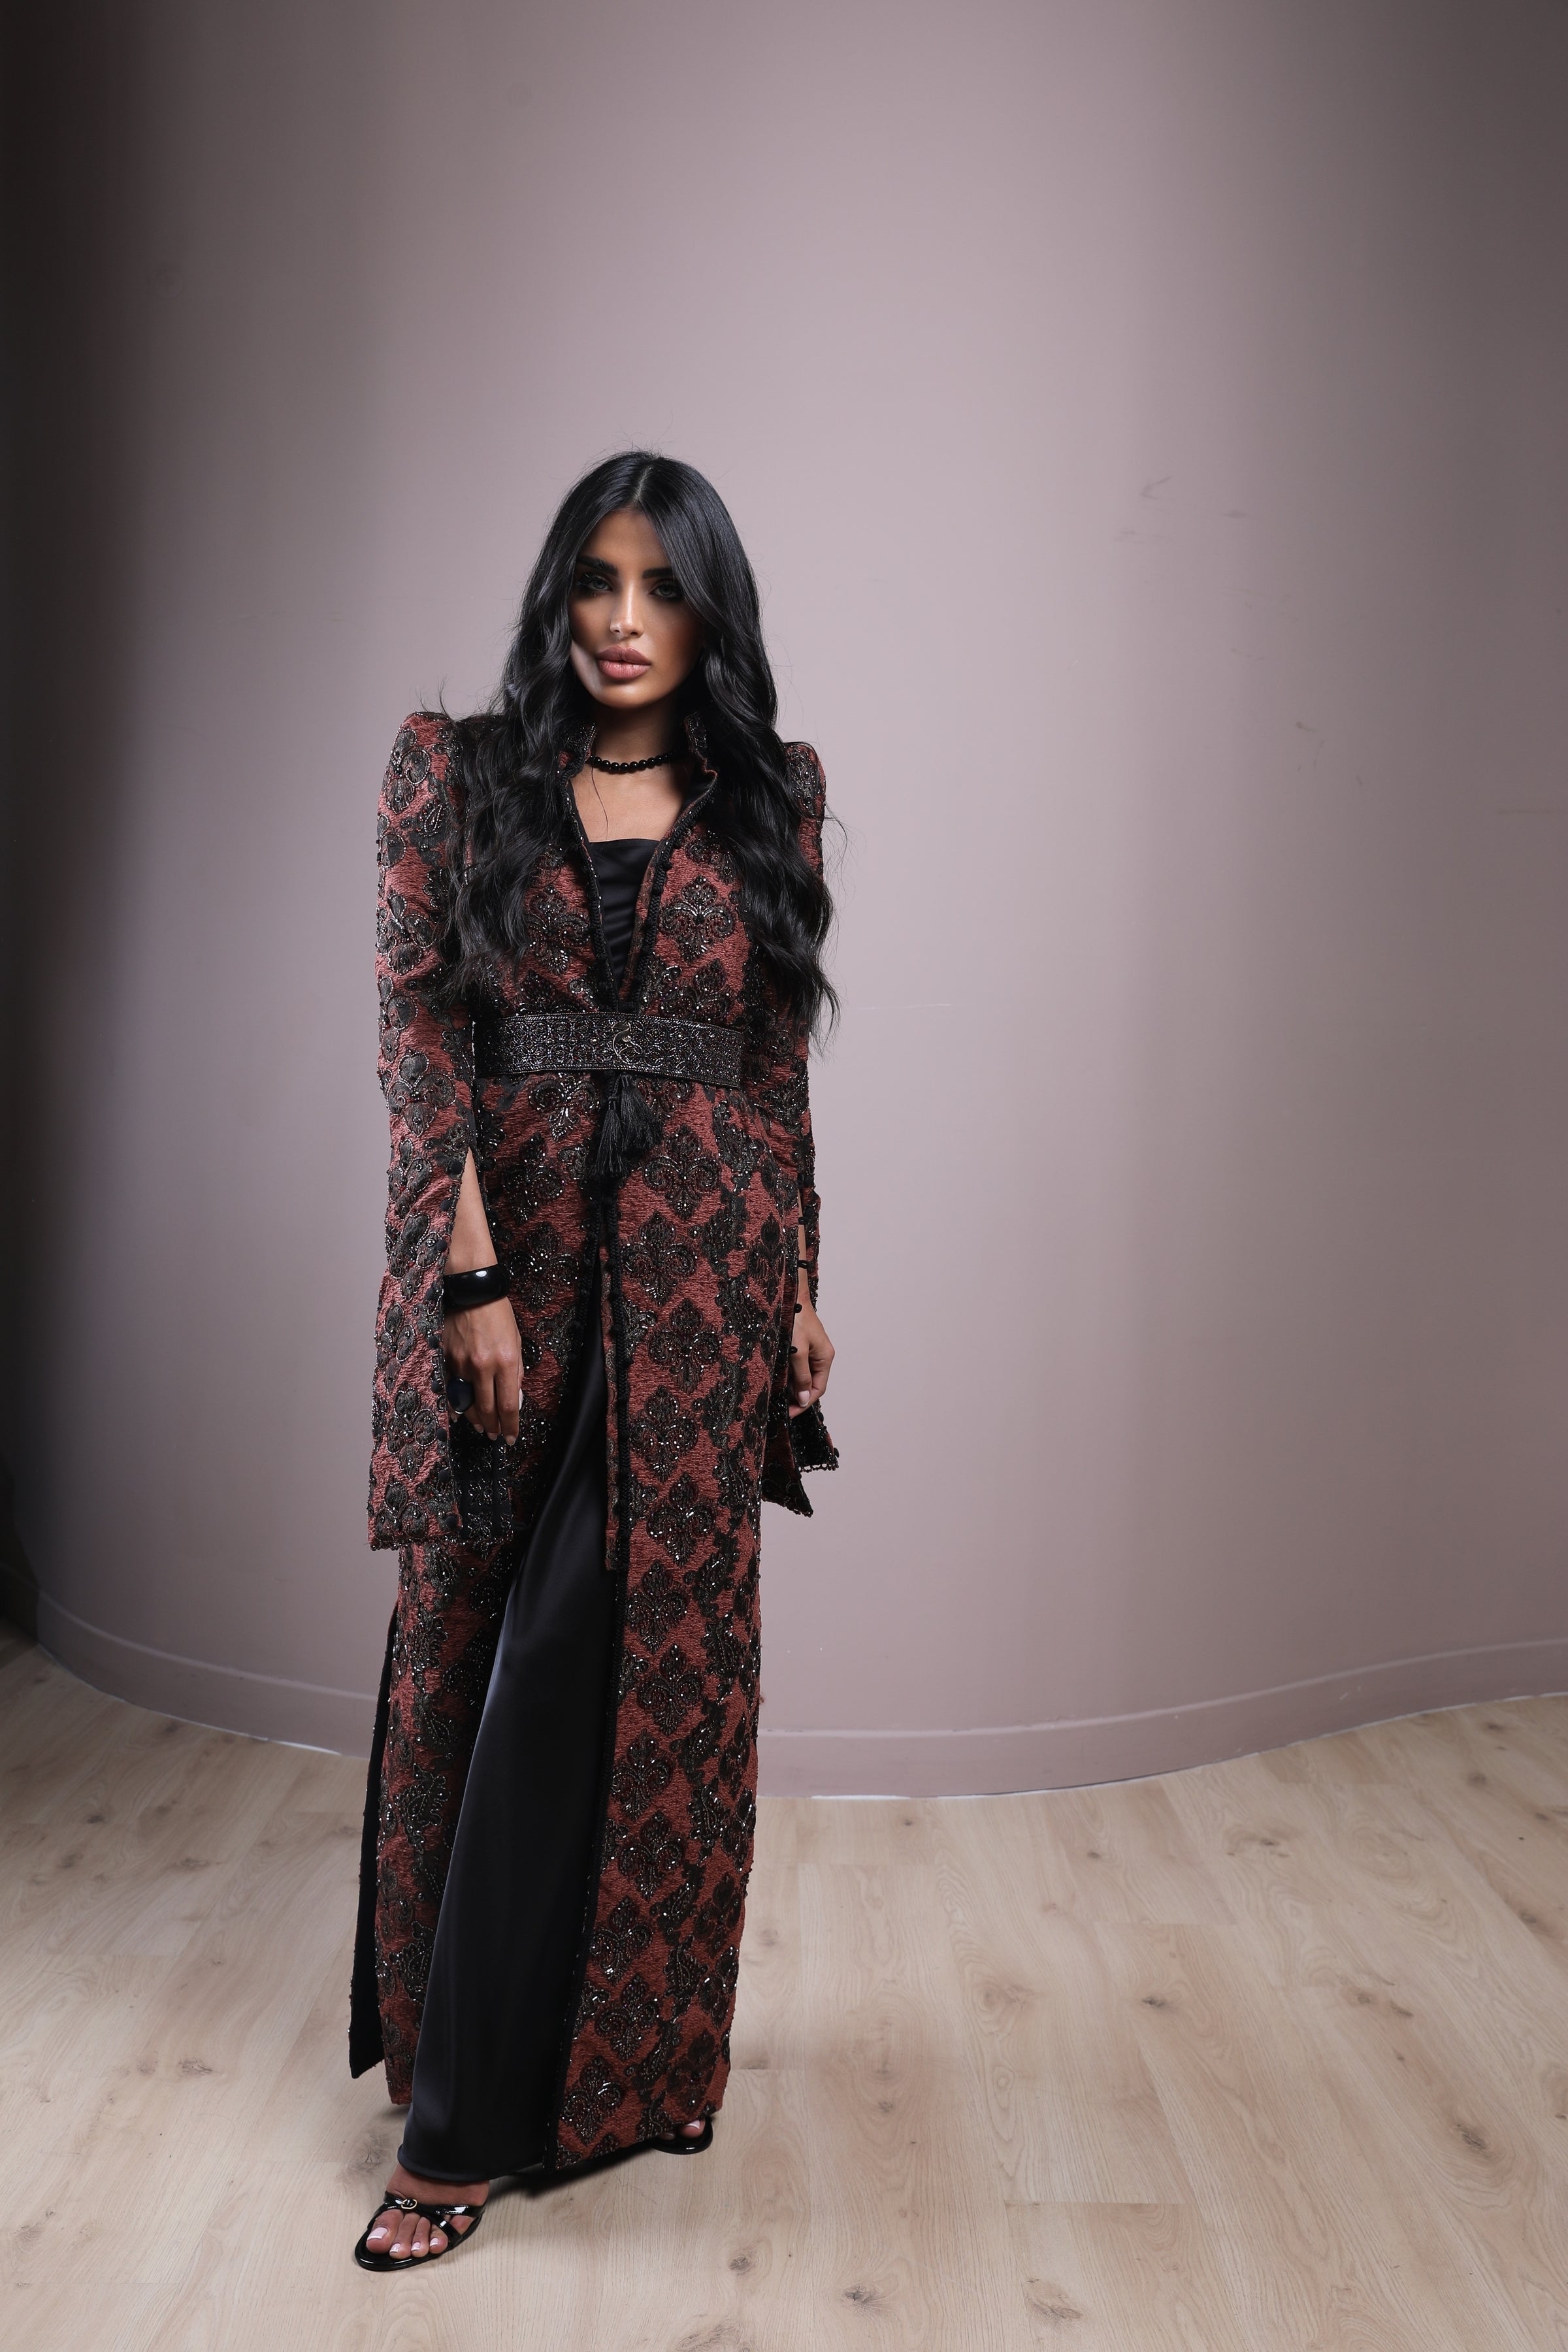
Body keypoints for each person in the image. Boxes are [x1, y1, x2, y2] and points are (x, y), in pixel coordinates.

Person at [349, 452, 838, 2268]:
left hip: (704, 1290)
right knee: (478, 1668)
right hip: (521, 1274)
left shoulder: (771, 798)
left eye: (663, 587)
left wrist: (799, 1283)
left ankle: (632, 2073)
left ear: (713, 613)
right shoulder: (457, 775)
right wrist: (462, 1267)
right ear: (558, 593)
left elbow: (771, 1073)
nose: (624, 622)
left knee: (674, 1677)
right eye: (595, 582)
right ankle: (455, 2098)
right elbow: (421, 1039)